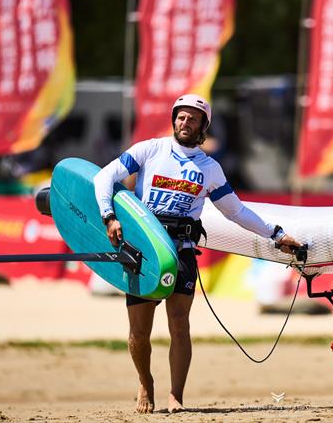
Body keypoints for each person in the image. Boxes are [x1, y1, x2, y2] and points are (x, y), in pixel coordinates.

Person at [93, 94, 302, 414]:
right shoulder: (149, 149)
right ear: (173, 119)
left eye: (192, 119)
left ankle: (176, 394)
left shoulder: (209, 168)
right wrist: (109, 216)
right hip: (144, 251)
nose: (184, 122)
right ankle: (145, 381)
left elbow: (236, 212)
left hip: (183, 252)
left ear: (203, 126)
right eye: (180, 117)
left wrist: (275, 234)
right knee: (139, 330)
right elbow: (103, 177)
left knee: (179, 325)